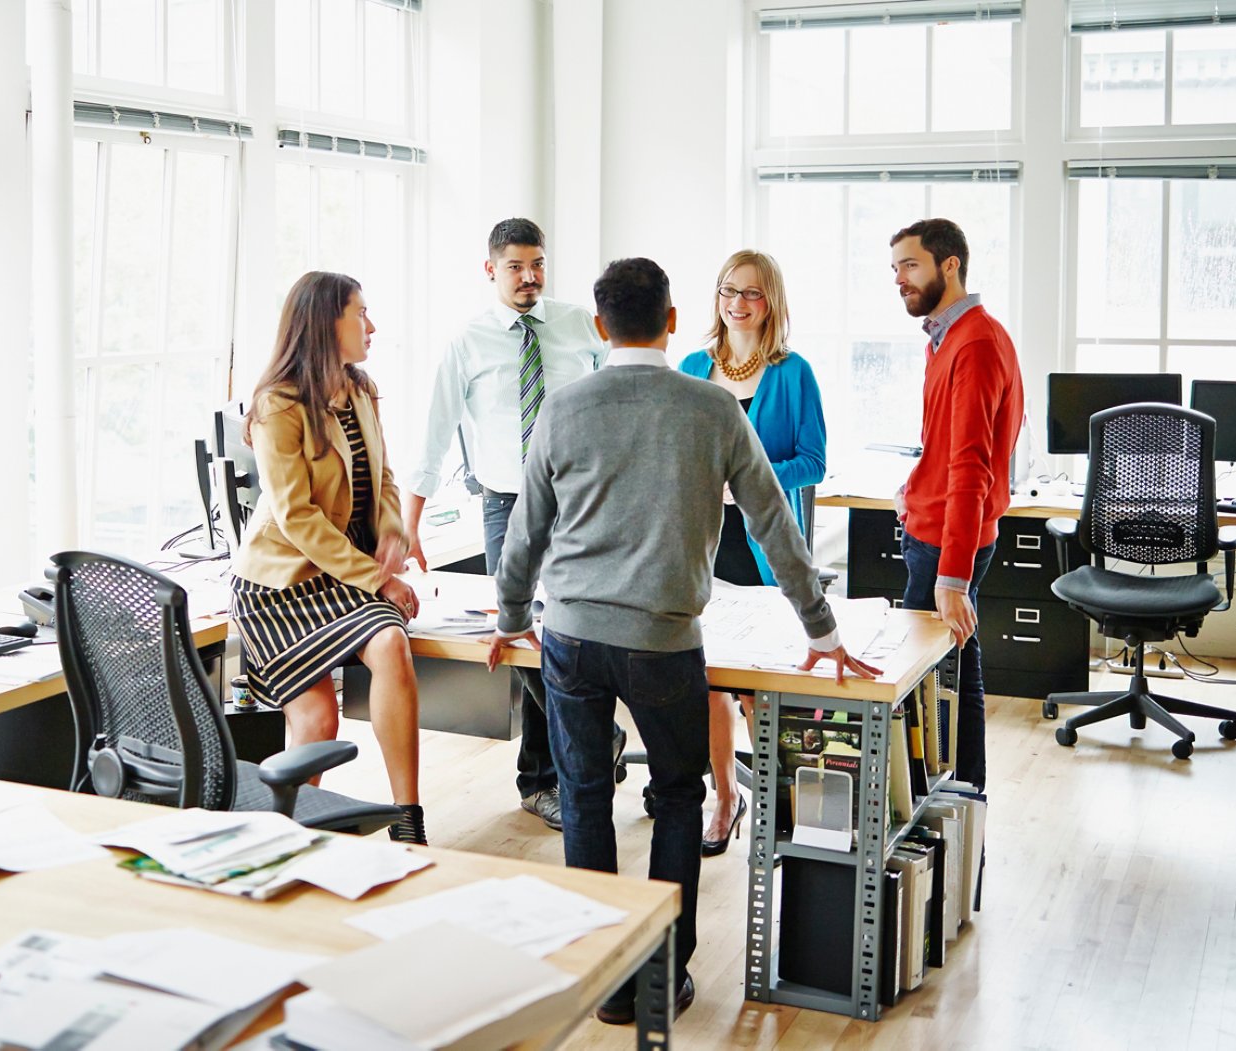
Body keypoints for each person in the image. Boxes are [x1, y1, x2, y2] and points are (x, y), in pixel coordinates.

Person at [487, 257, 880, 1024]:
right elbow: (775, 519)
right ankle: (663, 972)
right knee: (676, 794)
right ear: (672, 321)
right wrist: (821, 627)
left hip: (570, 634)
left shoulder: (563, 408)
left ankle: (603, 975)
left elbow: (524, 536)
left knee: (586, 794)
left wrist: (509, 619)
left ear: (601, 327)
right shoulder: (711, 407)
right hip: (664, 639)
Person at [404, 218, 622, 831]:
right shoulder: (466, 341)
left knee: (579, 628)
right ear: (490, 269)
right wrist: (410, 523)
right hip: (507, 503)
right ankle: (579, 751)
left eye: (537, 265)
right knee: (523, 635)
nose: (529, 278)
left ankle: (558, 768)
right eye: (515, 267)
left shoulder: (579, 324)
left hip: (582, 497)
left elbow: (616, 396)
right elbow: (434, 434)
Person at [229, 271, 426, 845]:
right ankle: (285, 842)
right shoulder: (279, 404)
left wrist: (392, 538)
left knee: (390, 643)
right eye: (360, 313)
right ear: (325, 321)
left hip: (342, 574)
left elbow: (384, 479)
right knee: (317, 720)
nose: (372, 325)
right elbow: (296, 517)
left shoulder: (361, 390)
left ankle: (407, 819)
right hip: (281, 585)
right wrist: (378, 579)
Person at [679, 249, 826, 857]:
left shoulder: (793, 373)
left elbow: (813, 461)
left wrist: (745, 480)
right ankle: (723, 796)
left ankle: (776, 802)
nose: (737, 303)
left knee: (757, 684)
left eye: (752, 294)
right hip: (700, 543)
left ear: (772, 303)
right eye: (727, 291)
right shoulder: (692, 365)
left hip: (762, 547)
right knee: (709, 679)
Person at [889, 218, 1024, 792]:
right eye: (894, 269)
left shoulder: (975, 343)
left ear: (950, 265)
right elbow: (948, 447)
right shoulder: (948, 337)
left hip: (947, 542)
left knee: (940, 681)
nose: (899, 279)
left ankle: (957, 799)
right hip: (936, 528)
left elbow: (972, 466)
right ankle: (959, 801)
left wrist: (952, 575)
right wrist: (914, 484)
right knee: (951, 672)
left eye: (910, 265)